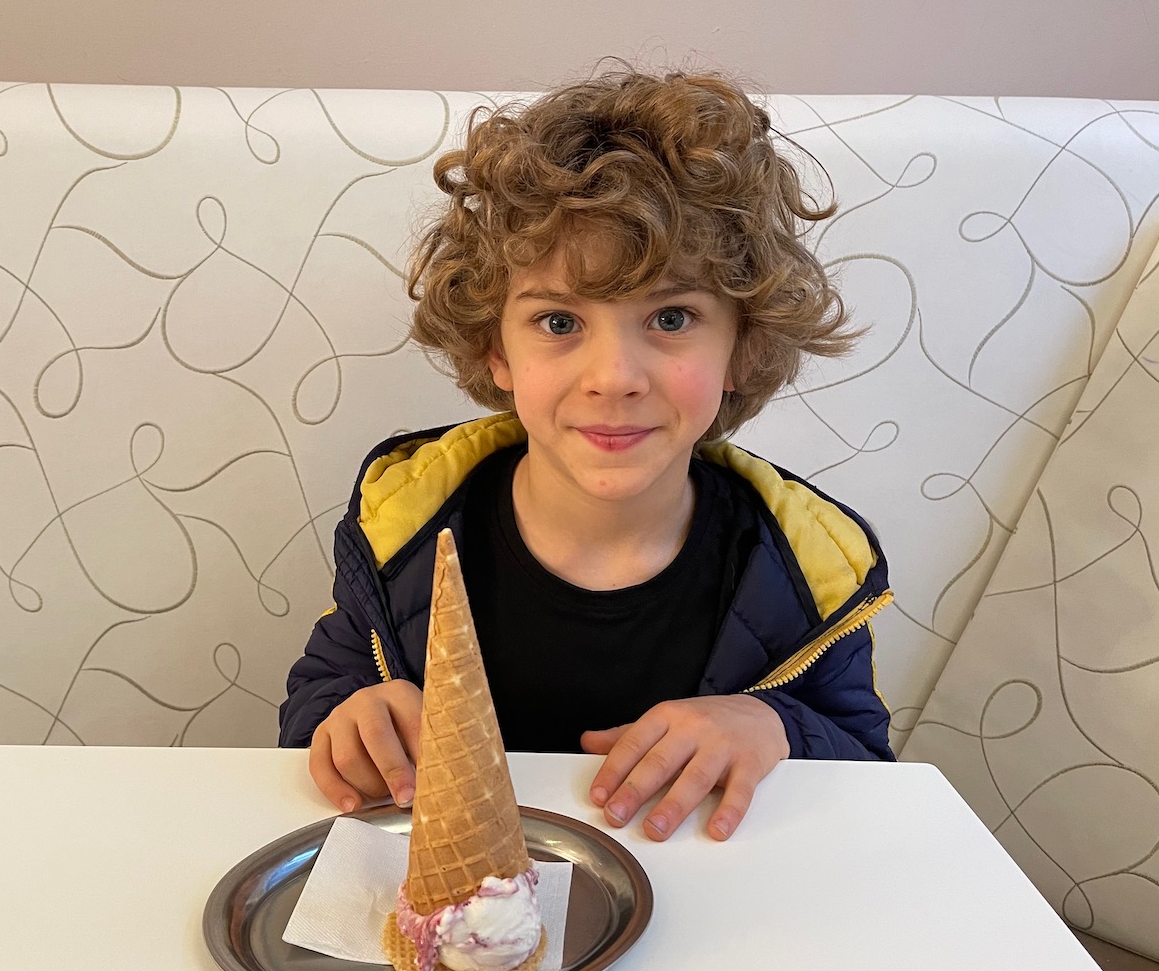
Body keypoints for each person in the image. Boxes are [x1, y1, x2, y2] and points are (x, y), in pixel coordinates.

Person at [278, 59, 894, 843]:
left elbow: (869, 771)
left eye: (671, 319)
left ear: (744, 343)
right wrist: (347, 719)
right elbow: (317, 705)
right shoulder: (404, 529)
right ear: (494, 348)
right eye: (560, 322)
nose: (613, 378)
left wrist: (773, 726)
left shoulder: (807, 570)